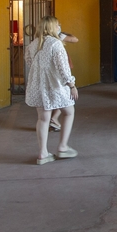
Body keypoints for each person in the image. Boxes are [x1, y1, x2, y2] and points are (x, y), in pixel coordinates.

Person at [24, 15, 78, 165]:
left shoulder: (33, 44)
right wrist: (71, 85)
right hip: (55, 86)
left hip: (37, 86)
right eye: (58, 25)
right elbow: (63, 68)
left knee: (43, 118)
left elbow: (30, 63)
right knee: (69, 111)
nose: (59, 27)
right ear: (53, 27)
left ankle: (43, 154)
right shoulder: (56, 44)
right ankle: (62, 147)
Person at [48, 29, 79, 132]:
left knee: (55, 92)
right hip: (60, 61)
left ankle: (51, 120)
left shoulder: (42, 38)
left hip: (48, 67)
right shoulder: (58, 37)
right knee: (63, 91)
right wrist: (63, 34)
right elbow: (75, 39)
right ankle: (54, 118)